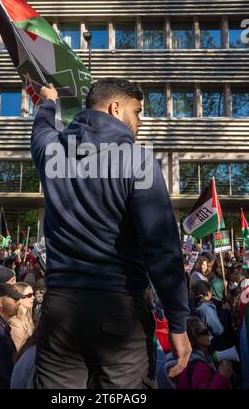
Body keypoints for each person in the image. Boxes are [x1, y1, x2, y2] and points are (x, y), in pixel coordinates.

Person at [31, 78, 191, 389]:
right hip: (120, 311)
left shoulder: (52, 152)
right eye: (138, 111)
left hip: (60, 309)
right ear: (115, 108)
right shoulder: (139, 160)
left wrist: (48, 102)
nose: (140, 122)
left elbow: (39, 131)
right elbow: (161, 248)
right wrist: (178, 322)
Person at [177, 316, 232, 389]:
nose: (209, 334)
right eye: (205, 332)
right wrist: (222, 376)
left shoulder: (193, 360)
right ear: (193, 338)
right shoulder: (198, 367)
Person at [9, 282, 35, 352]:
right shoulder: (15, 322)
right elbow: (17, 352)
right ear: (19, 297)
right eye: (29, 295)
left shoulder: (28, 316)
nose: (33, 297)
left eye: (33, 294)